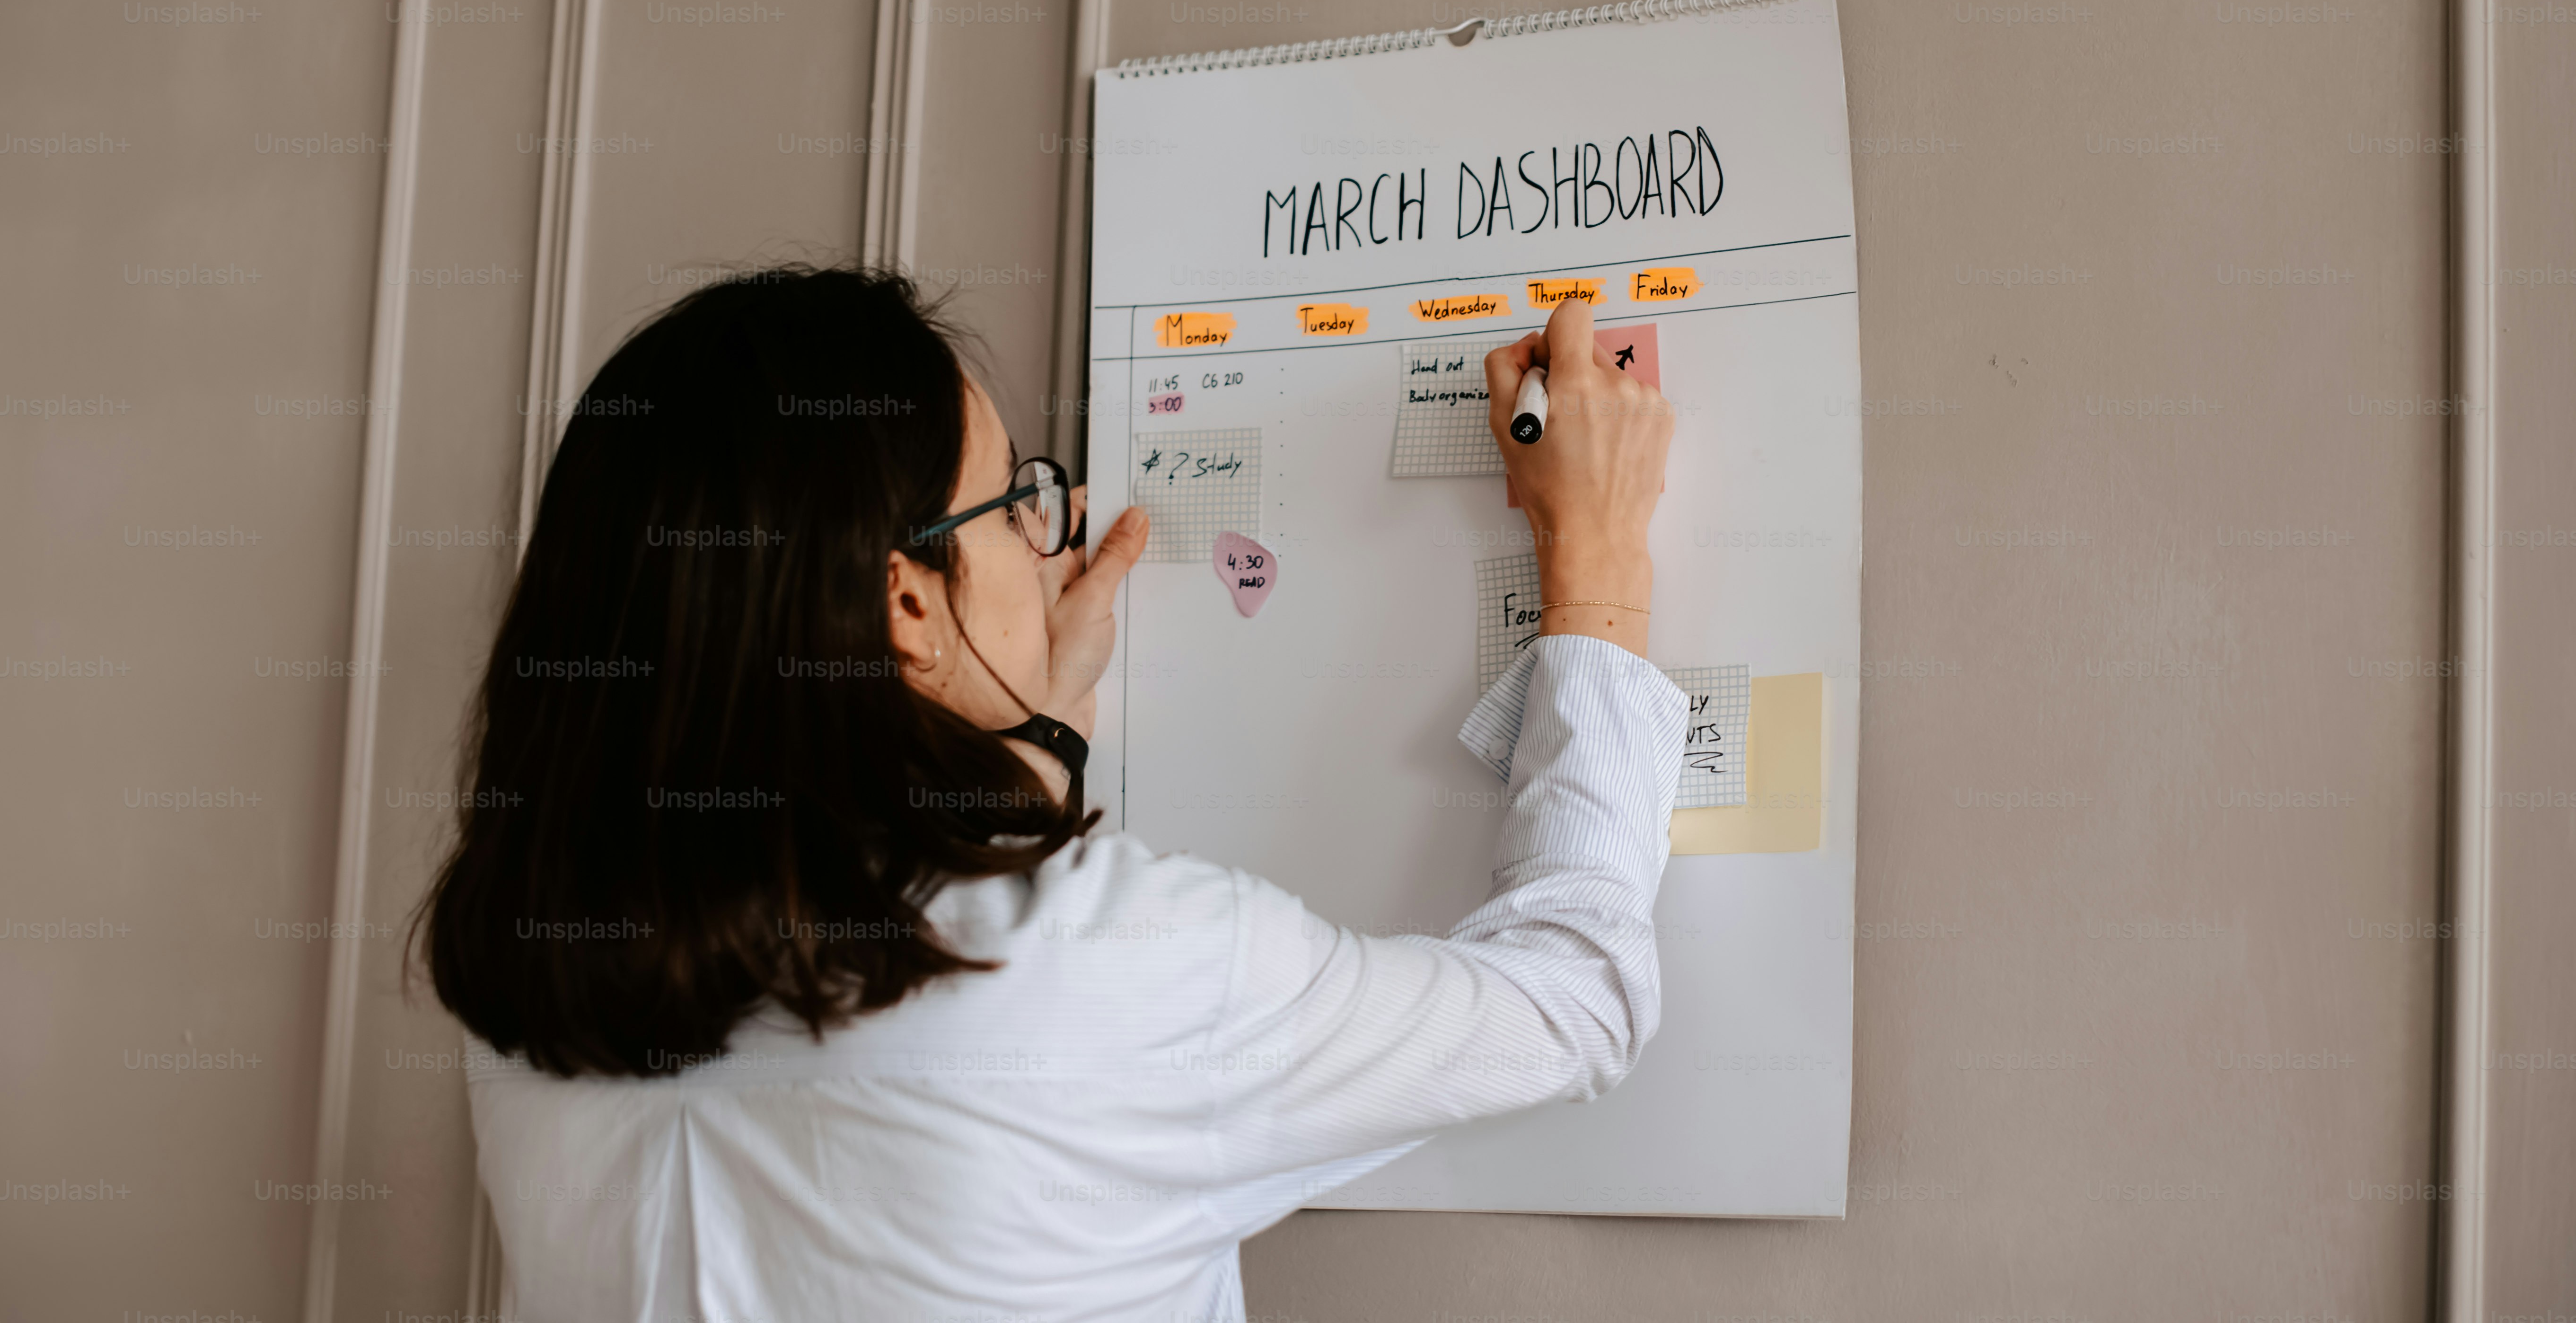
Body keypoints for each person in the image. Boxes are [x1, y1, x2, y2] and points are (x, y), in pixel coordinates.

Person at [419, 264, 1681, 1322]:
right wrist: (1601, 562)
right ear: (909, 602)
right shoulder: (1131, 967)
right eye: (1013, 500)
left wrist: (1029, 729)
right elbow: (1576, 1000)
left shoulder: (541, 1001)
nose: (1051, 526)